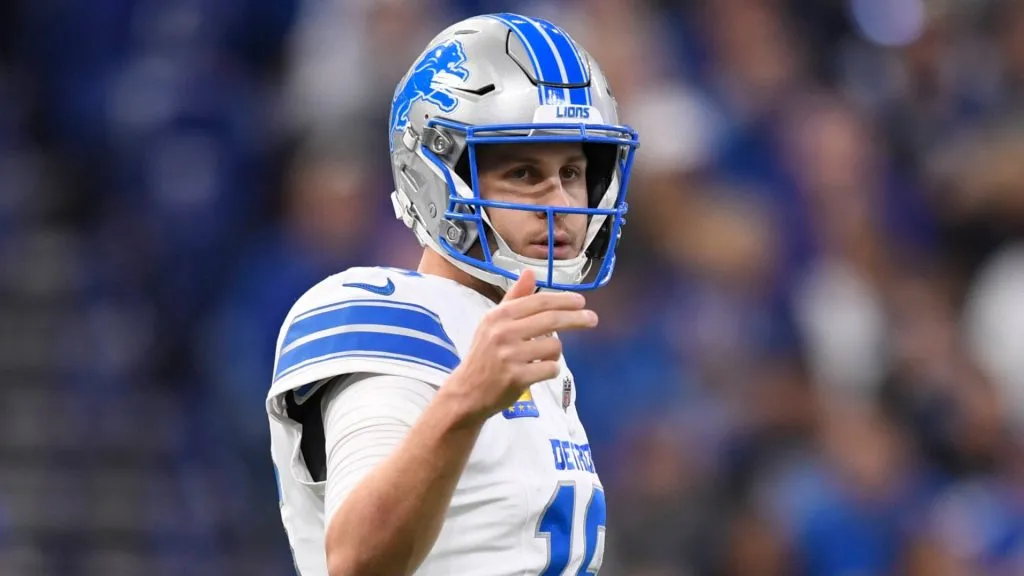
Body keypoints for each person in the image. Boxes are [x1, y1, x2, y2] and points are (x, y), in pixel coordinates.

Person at [266, 12, 639, 576]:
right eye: (522, 173)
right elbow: (356, 561)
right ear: (438, 176)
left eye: (571, 171)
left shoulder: (530, 350)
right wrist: (466, 401)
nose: (561, 201)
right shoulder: (382, 315)